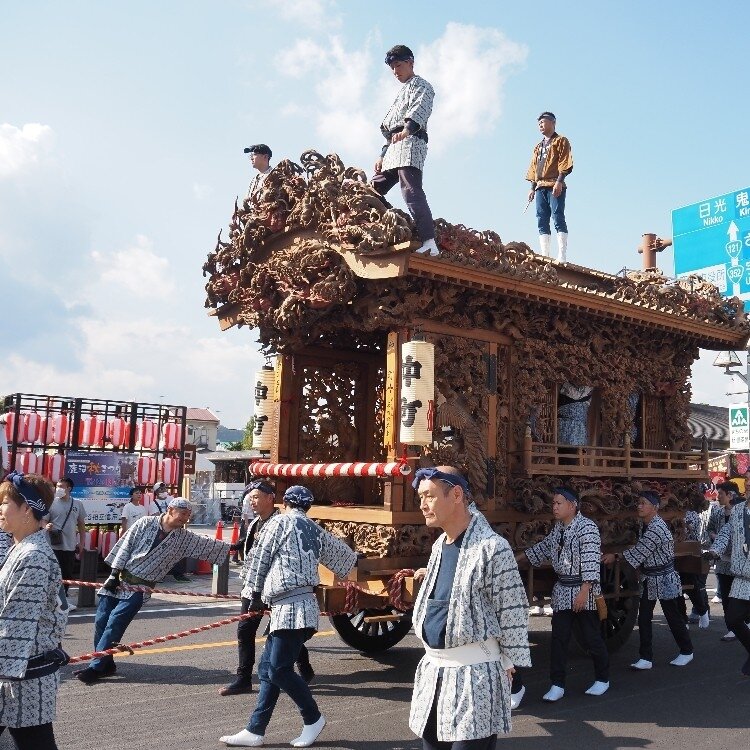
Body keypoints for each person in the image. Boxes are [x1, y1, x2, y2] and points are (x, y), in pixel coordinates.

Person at [219, 485, 357, 748]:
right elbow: (346, 560)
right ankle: (255, 730)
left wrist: (253, 593)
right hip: (302, 605)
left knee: (279, 670)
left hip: (288, 606)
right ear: (307, 506)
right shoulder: (315, 528)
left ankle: (313, 718)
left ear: (285, 503)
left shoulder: (279, 522)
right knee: (267, 670)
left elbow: (259, 559)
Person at [408, 466, 530, 750]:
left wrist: (510, 663)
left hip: (475, 679)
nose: (423, 505)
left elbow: (512, 609)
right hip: (435, 675)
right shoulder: (439, 545)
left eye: (429, 496)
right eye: (420, 498)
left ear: (457, 494)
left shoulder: (492, 548)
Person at [75, 497, 230, 684]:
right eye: (183, 514)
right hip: (119, 579)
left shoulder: (183, 537)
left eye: (188, 516)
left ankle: (95, 666)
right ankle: (106, 663)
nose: (185, 519)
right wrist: (115, 574)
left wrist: (234, 546)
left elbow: (207, 544)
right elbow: (126, 545)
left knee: (115, 622)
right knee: (101, 621)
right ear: (171, 510)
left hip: (141, 586)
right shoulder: (145, 522)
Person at [220, 480, 314, 697]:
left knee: (282, 629)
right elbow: (245, 544)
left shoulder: (283, 522)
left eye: (256, 496)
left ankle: (305, 669)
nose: (252, 501)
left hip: (276, 586)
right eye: (250, 497)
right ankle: (244, 678)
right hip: (252, 584)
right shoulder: (255, 523)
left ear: (271, 497)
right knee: (245, 630)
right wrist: (220, 548)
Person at [0, 472, 69, 750]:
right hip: (16, 671)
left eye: (4, 503)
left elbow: (15, 625)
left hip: (24, 676)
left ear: (27, 509)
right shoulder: (20, 548)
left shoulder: (33, 556)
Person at [520, 487, 609, 701]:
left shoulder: (586, 527)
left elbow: (590, 561)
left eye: (559, 503)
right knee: (559, 639)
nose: (555, 507)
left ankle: (602, 679)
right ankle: (557, 684)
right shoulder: (558, 528)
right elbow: (542, 549)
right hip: (562, 591)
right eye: (554, 503)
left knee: (591, 638)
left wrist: (583, 591)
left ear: (572, 505)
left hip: (583, 591)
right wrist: (515, 559)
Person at [602, 490, 693, 669]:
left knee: (672, 616)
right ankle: (646, 657)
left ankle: (687, 651)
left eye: (643, 503)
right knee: (643, 617)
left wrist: (615, 556)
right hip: (650, 578)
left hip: (664, 578)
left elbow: (639, 551)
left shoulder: (657, 528)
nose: (639, 506)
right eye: (639, 502)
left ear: (655, 507)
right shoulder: (647, 524)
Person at [372, 44, 438, 257]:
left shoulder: (422, 85)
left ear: (411, 62)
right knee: (373, 188)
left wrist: (408, 129)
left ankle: (429, 241)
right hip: (393, 146)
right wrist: (382, 154)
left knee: (410, 190)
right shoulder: (402, 91)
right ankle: (377, 227)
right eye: (392, 67)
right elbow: (390, 129)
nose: (395, 71)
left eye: (398, 65)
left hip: (411, 143)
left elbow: (420, 109)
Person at [705, 491, 750, 676]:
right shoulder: (738, 510)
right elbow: (726, 534)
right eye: (747, 480)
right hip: (742, 577)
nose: (748, 483)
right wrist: (715, 551)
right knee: (733, 619)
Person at [525, 111, 573, 262]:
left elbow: (565, 161)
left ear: (553, 123)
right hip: (540, 186)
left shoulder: (561, 140)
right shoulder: (538, 147)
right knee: (541, 218)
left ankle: (562, 254)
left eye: (543, 122)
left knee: (557, 215)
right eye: (539, 123)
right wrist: (532, 188)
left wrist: (559, 181)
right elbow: (534, 167)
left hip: (554, 183)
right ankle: (545, 254)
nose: (540, 125)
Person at [706, 481, 742, 640]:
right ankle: (732, 627)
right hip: (722, 561)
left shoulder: (740, 513)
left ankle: (742, 624)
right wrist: (714, 537)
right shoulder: (717, 513)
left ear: (730, 495)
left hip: (740, 562)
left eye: (721, 493)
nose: (717, 496)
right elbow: (710, 529)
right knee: (726, 596)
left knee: (739, 597)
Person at [44, 476, 86, 602]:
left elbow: (81, 525)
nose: (58, 489)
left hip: (70, 545)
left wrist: (82, 543)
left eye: (61, 486)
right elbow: (43, 521)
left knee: (67, 574)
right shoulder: (51, 502)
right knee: (52, 573)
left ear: (69, 488)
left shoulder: (77, 503)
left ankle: (63, 599)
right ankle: (50, 599)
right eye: (57, 486)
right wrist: (46, 526)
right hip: (52, 544)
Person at [679, 491, 710, 627]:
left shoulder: (690, 515)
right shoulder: (690, 514)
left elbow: (686, 531)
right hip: (685, 552)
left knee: (691, 586)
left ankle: (702, 612)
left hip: (688, 553)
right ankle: (692, 616)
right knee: (682, 588)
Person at [150, 480, 189, 582]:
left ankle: (179, 574)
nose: (163, 490)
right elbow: (156, 517)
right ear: (156, 492)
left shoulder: (172, 499)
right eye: (161, 489)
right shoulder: (153, 503)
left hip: (175, 529)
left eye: (164, 488)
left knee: (176, 551)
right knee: (159, 552)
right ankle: (158, 574)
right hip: (162, 531)